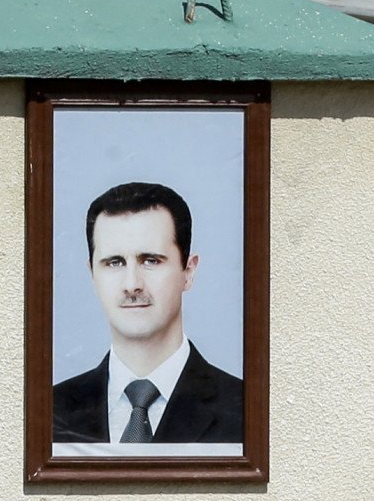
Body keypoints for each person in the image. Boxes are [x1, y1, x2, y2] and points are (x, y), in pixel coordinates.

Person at [52, 181, 243, 445]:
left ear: (189, 271)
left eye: (151, 260)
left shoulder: (244, 409)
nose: (132, 284)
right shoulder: (49, 412)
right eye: (114, 262)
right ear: (92, 275)